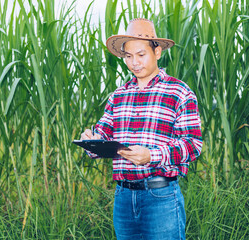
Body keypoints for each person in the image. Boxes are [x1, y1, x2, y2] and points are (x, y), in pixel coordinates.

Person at [80, 18, 203, 240]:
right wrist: (92, 140)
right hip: (123, 198)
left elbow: (192, 146)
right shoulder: (118, 96)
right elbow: (104, 134)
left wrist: (151, 156)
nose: (134, 62)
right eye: (128, 56)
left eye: (141, 54)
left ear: (157, 52)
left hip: (161, 197)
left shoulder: (180, 93)